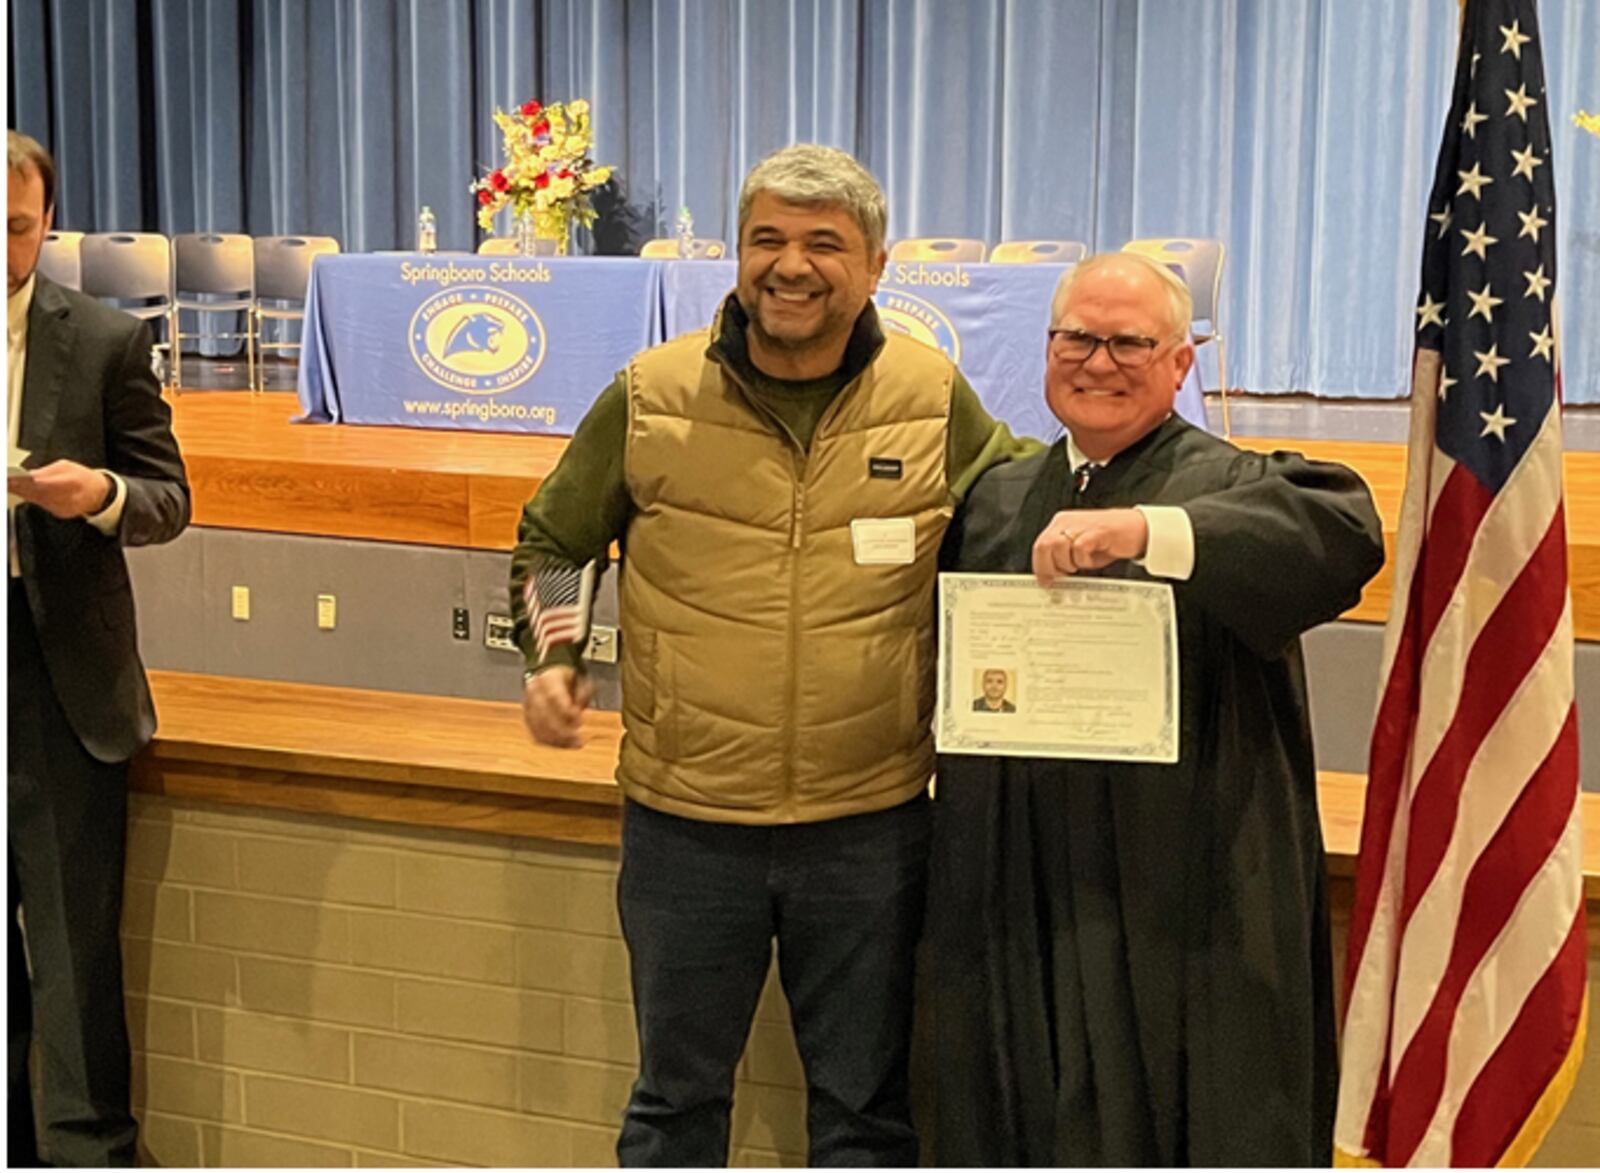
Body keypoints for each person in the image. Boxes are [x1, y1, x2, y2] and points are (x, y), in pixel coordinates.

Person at [509, 143, 1031, 1167]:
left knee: (865, 1117)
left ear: (876, 265)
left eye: (823, 244)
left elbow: (1029, 506)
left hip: (870, 829)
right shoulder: (651, 392)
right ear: (736, 257)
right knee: (674, 1110)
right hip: (684, 827)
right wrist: (552, 659)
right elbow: (554, 539)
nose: (790, 266)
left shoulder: (931, 396)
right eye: (767, 240)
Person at [917, 252, 1384, 1166]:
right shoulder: (999, 499)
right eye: (1077, 338)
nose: (1099, 361)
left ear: (1181, 363)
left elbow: (1345, 532)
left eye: (1131, 342)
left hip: (1185, 876)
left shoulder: (1230, 484)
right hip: (1020, 869)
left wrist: (1146, 531)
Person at [7, 130, 191, 1167]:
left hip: (54, 673)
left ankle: (87, 1152)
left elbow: (171, 497)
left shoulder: (107, 340)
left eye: (16, 230)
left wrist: (103, 498)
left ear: (47, 226)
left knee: (73, 950)